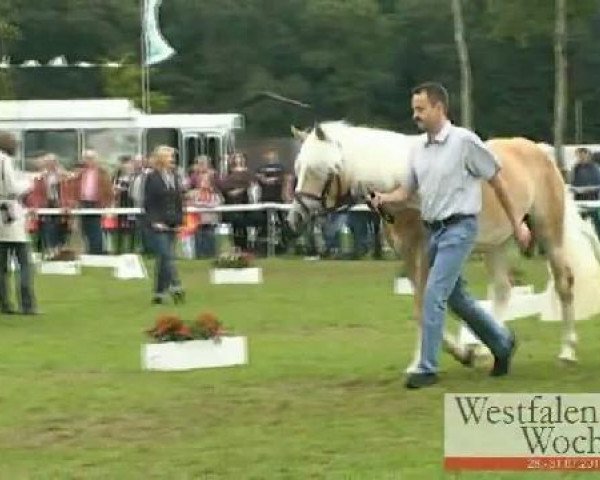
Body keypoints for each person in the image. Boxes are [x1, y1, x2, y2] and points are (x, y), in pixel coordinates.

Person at [371, 82, 531, 389]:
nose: (415, 115)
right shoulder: (417, 149)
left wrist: (517, 222)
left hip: (460, 228)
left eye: (420, 109)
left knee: (433, 294)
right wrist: (385, 198)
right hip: (434, 230)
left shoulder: (464, 142)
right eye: (413, 110)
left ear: (439, 108)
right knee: (458, 300)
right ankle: (502, 342)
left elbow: (497, 181)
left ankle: (426, 367)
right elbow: (408, 190)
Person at [0, 131, 38, 315]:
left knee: (1, 267)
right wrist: (29, 183)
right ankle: (27, 304)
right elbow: (12, 187)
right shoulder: (4, 160)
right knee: (24, 263)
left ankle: (4, 303)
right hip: (9, 212)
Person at [143, 146, 185, 304]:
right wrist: (155, 221)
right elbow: (149, 203)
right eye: (169, 157)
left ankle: (159, 293)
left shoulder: (174, 176)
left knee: (163, 260)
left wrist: (180, 221)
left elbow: (178, 201)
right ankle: (175, 285)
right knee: (167, 255)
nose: (172, 160)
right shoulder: (152, 178)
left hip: (172, 222)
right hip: (157, 224)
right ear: (161, 159)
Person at [570, 147, 600, 238]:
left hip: (592, 201)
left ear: (588, 156)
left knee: (596, 223)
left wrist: (588, 189)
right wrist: (574, 189)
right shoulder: (575, 169)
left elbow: (598, 185)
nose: (581, 158)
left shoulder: (595, 169)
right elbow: (572, 183)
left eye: (583, 155)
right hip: (579, 201)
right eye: (579, 156)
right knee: (579, 224)